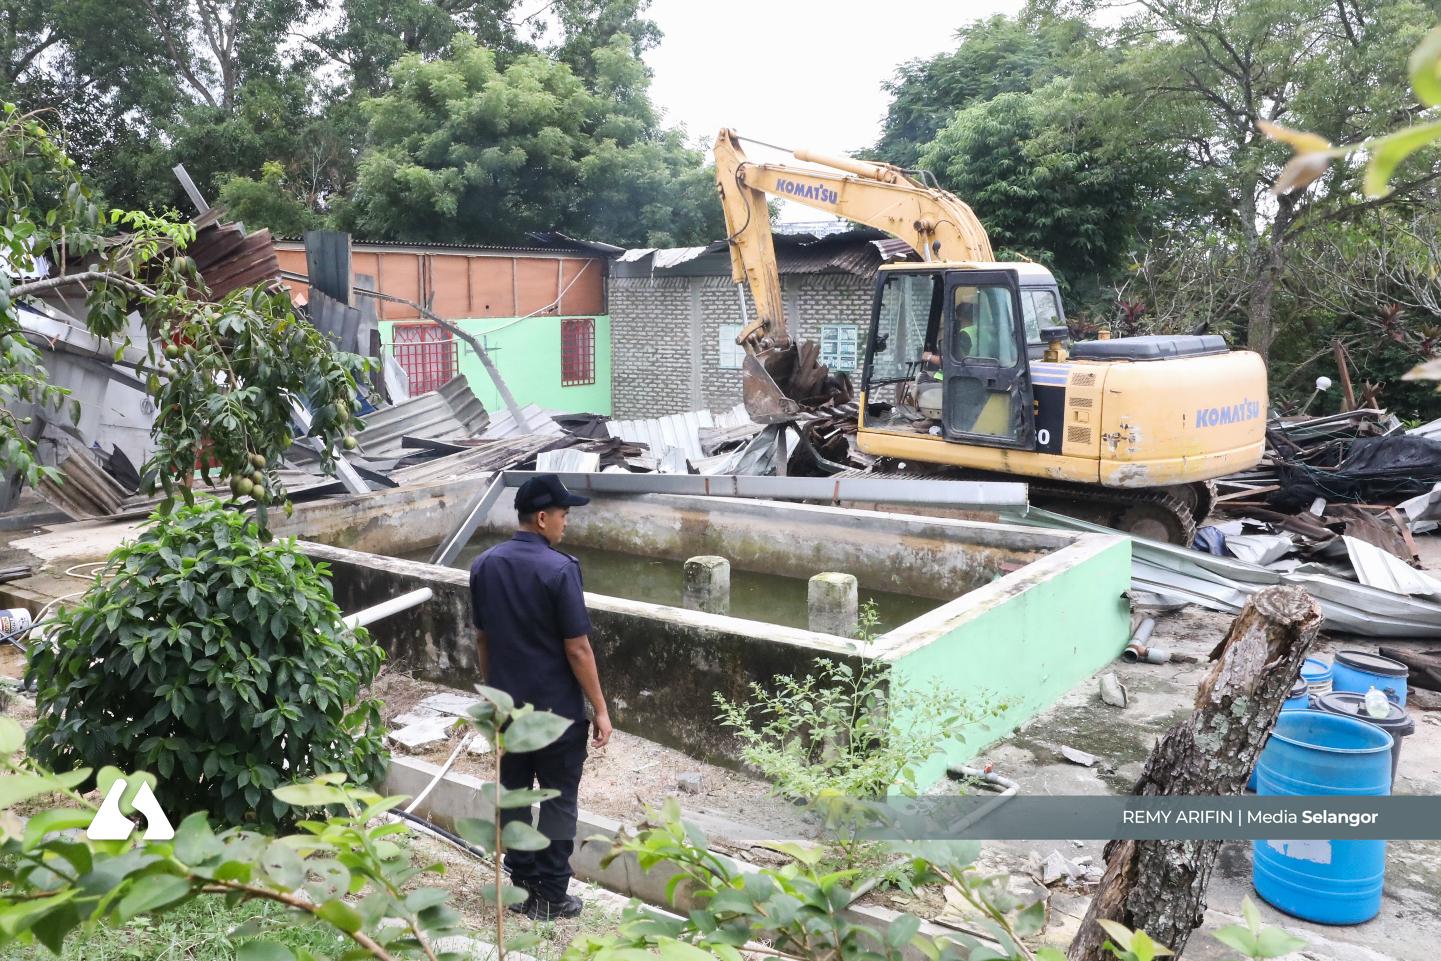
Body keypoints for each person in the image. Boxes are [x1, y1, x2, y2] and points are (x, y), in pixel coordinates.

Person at [469, 474, 613, 921]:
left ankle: (521, 883)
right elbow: (578, 647)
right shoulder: (560, 569)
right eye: (564, 516)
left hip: (508, 711)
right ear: (543, 517)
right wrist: (602, 709)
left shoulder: (484, 565)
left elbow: (483, 639)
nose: (566, 524)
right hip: (556, 716)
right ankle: (551, 896)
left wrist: (495, 694)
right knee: (556, 800)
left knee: (512, 794)